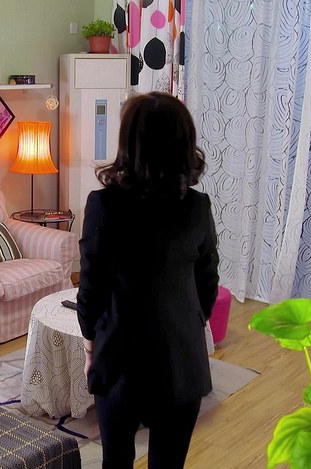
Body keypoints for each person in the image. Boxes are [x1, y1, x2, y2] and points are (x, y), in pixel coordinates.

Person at [76, 91, 220, 468]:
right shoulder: (197, 208)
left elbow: (91, 288)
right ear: (184, 143)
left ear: (128, 142)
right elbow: (207, 283)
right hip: (181, 361)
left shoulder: (103, 205)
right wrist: (187, 327)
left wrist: (90, 350)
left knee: (116, 460)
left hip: (119, 359)